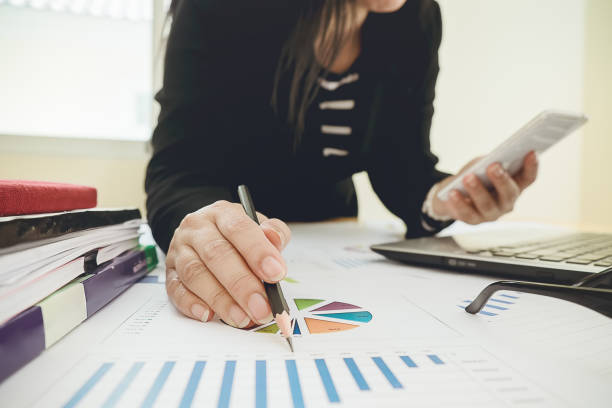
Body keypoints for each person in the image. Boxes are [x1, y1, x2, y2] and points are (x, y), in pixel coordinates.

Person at [145, 0, 539, 329]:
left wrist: (446, 198)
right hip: (229, 235)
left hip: (333, 235)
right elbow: (180, 168)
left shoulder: (417, 17)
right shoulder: (221, 9)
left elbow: (403, 164)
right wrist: (202, 227)